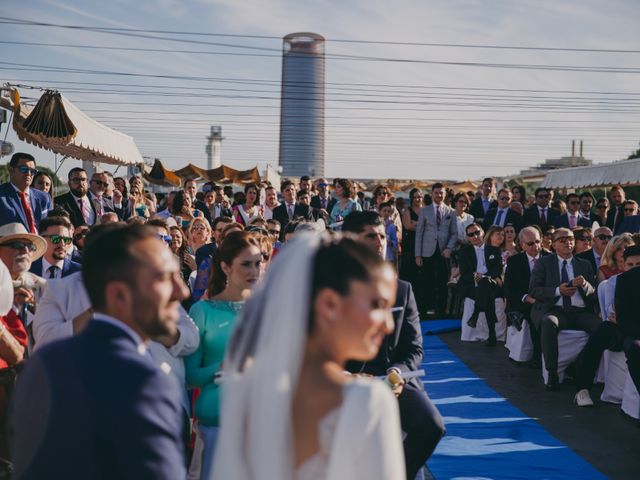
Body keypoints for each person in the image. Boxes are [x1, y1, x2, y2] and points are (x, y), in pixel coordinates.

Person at [213, 233, 406, 480]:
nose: (389, 324)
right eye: (377, 305)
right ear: (329, 304)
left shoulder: (251, 392)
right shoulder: (367, 400)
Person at [10, 224, 189, 479]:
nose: (182, 291)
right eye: (163, 278)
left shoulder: (45, 363)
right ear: (118, 294)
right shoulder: (147, 381)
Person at [341, 211, 444, 478]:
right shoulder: (331, 289)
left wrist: (396, 373)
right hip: (346, 383)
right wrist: (347, 377)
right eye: (370, 236)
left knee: (431, 425)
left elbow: (414, 348)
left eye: (383, 236)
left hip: (393, 381)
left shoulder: (402, 289)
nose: (379, 242)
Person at [186, 231, 262, 480]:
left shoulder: (267, 311)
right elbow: (188, 375)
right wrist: (223, 366)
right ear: (226, 267)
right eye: (246, 264)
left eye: (258, 263)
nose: (254, 270)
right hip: (216, 426)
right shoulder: (202, 311)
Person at [528, 228, 600, 390]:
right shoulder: (544, 263)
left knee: (601, 328)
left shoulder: (584, 264)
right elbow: (534, 290)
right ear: (553, 245)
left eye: (571, 239)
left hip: (580, 312)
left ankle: (580, 368)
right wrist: (557, 291)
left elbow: (594, 295)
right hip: (556, 310)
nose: (568, 242)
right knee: (548, 323)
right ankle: (552, 372)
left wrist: (584, 285)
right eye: (562, 240)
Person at [573, 245, 640, 406]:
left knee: (633, 347)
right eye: (630, 265)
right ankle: (582, 389)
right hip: (621, 326)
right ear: (623, 265)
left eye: (639, 265)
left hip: (631, 327)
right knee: (599, 335)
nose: (635, 269)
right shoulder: (619, 281)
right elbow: (616, 314)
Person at [504, 226, 549, 363]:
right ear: (522, 245)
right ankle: (537, 354)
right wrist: (526, 298)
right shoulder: (514, 261)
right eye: (530, 243)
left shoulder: (550, 258)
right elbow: (508, 289)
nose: (535, 246)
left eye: (537, 241)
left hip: (546, 299)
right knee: (535, 315)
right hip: (522, 302)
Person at [415, 183, 458, 318]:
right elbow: (419, 233)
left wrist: (449, 248)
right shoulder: (424, 211)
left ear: (445, 195)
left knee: (442, 283)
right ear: (432, 194)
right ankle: (423, 311)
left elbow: (454, 233)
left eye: (441, 193)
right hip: (427, 251)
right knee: (425, 282)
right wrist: (418, 254)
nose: (439, 195)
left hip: (443, 251)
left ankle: (441, 311)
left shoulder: (451, 212)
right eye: (436, 193)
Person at [460, 224, 504, 346]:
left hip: (491, 282)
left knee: (485, 283)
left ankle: (475, 314)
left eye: (477, 232)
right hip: (473, 284)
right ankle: (492, 334)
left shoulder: (494, 250)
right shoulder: (465, 252)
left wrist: (484, 277)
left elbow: (497, 270)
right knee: (486, 291)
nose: (475, 236)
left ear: (483, 232)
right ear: (468, 238)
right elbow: (464, 273)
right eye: (471, 234)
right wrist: (475, 276)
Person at [0, 153, 52, 232]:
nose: (28, 174)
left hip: (41, 243)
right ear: (11, 169)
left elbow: (52, 225)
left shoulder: (44, 197)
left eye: (32, 171)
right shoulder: (2, 195)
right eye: (23, 169)